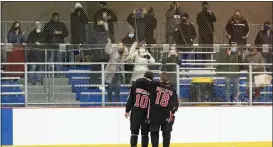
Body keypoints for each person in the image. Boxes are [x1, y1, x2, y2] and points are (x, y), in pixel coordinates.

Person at [125, 71, 155, 147]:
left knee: (134, 133)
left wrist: (127, 110)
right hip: (146, 114)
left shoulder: (135, 84)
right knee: (145, 134)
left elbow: (131, 98)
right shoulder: (153, 87)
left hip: (135, 112)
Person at [149, 72, 179, 147]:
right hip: (167, 114)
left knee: (154, 132)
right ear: (169, 80)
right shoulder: (173, 90)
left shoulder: (155, 86)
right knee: (166, 133)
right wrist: (172, 111)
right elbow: (175, 105)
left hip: (155, 113)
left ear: (160, 79)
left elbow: (150, 98)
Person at [104, 38, 129, 105]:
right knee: (110, 88)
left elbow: (126, 60)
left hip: (119, 73)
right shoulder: (113, 52)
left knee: (117, 88)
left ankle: (117, 103)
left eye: (122, 45)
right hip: (111, 72)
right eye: (119, 45)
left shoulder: (124, 53)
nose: (120, 47)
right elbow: (107, 51)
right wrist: (109, 43)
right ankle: (109, 103)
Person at [88, 19, 110, 84]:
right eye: (99, 25)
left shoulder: (107, 33)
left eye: (102, 25)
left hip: (106, 55)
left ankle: (106, 83)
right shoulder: (93, 33)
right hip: (96, 55)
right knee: (95, 71)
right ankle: (93, 84)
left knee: (106, 71)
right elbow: (89, 43)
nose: (101, 26)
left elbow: (111, 43)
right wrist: (92, 52)